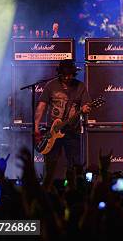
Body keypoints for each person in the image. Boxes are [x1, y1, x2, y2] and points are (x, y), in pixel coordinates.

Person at [35, 59, 91, 187]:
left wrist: (86, 109)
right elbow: (41, 106)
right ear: (60, 73)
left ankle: (73, 191)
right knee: (50, 164)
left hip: (72, 131)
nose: (67, 77)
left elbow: (87, 105)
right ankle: (46, 189)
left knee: (73, 164)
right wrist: (37, 126)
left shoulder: (80, 86)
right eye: (65, 75)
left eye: (70, 74)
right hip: (52, 131)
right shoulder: (51, 85)